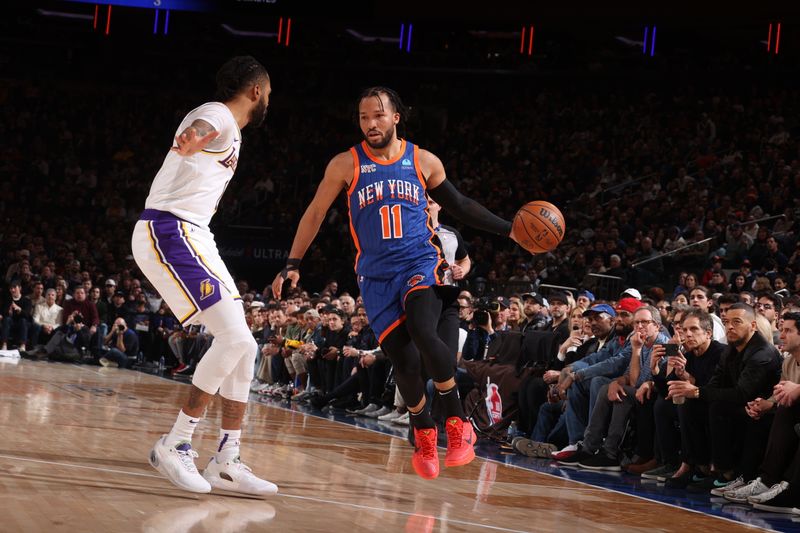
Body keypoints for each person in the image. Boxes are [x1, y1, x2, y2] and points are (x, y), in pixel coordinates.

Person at [272, 86, 518, 479]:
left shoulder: (423, 160)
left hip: (421, 261)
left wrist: (510, 230)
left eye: (378, 116)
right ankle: (423, 431)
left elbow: (462, 206)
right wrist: (292, 262)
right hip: (375, 275)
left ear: (396, 117)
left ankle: (457, 425)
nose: (371, 124)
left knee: (424, 331)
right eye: (364, 117)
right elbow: (315, 212)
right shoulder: (345, 164)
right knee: (403, 361)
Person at [130, 56, 276, 496]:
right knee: (233, 340)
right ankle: (175, 442)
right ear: (255, 91)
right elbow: (198, 130)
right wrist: (193, 138)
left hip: (193, 232)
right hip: (170, 228)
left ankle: (227, 457)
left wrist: (196, 140)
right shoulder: (220, 116)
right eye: (268, 91)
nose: (270, 98)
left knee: (245, 345)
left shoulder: (232, 129)